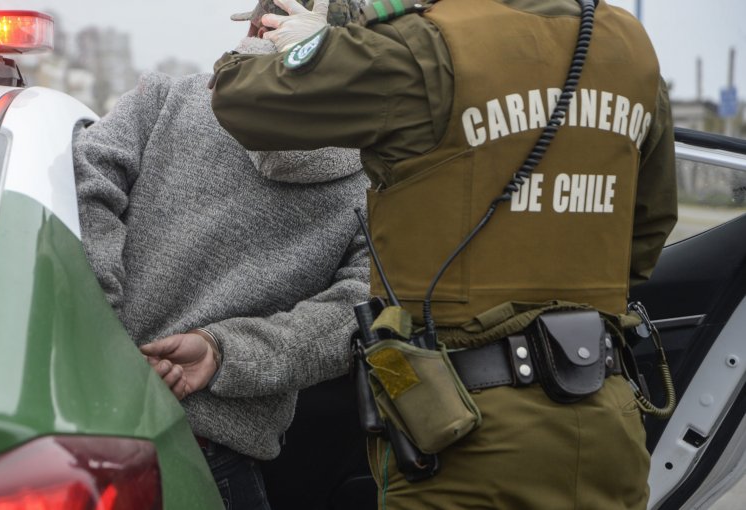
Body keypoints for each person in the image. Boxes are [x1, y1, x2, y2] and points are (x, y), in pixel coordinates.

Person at [210, 0, 678, 508]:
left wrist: (293, 36)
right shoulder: (630, 47)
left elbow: (242, 99)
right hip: (609, 423)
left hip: (457, 433)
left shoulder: (423, 44)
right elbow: (646, 229)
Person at [72, 2, 369, 508]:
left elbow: (78, 193)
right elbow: (360, 313)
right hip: (216, 461)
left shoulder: (162, 100)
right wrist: (221, 352)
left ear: (257, 27)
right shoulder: (374, 179)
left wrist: (106, 340)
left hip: (81, 427)